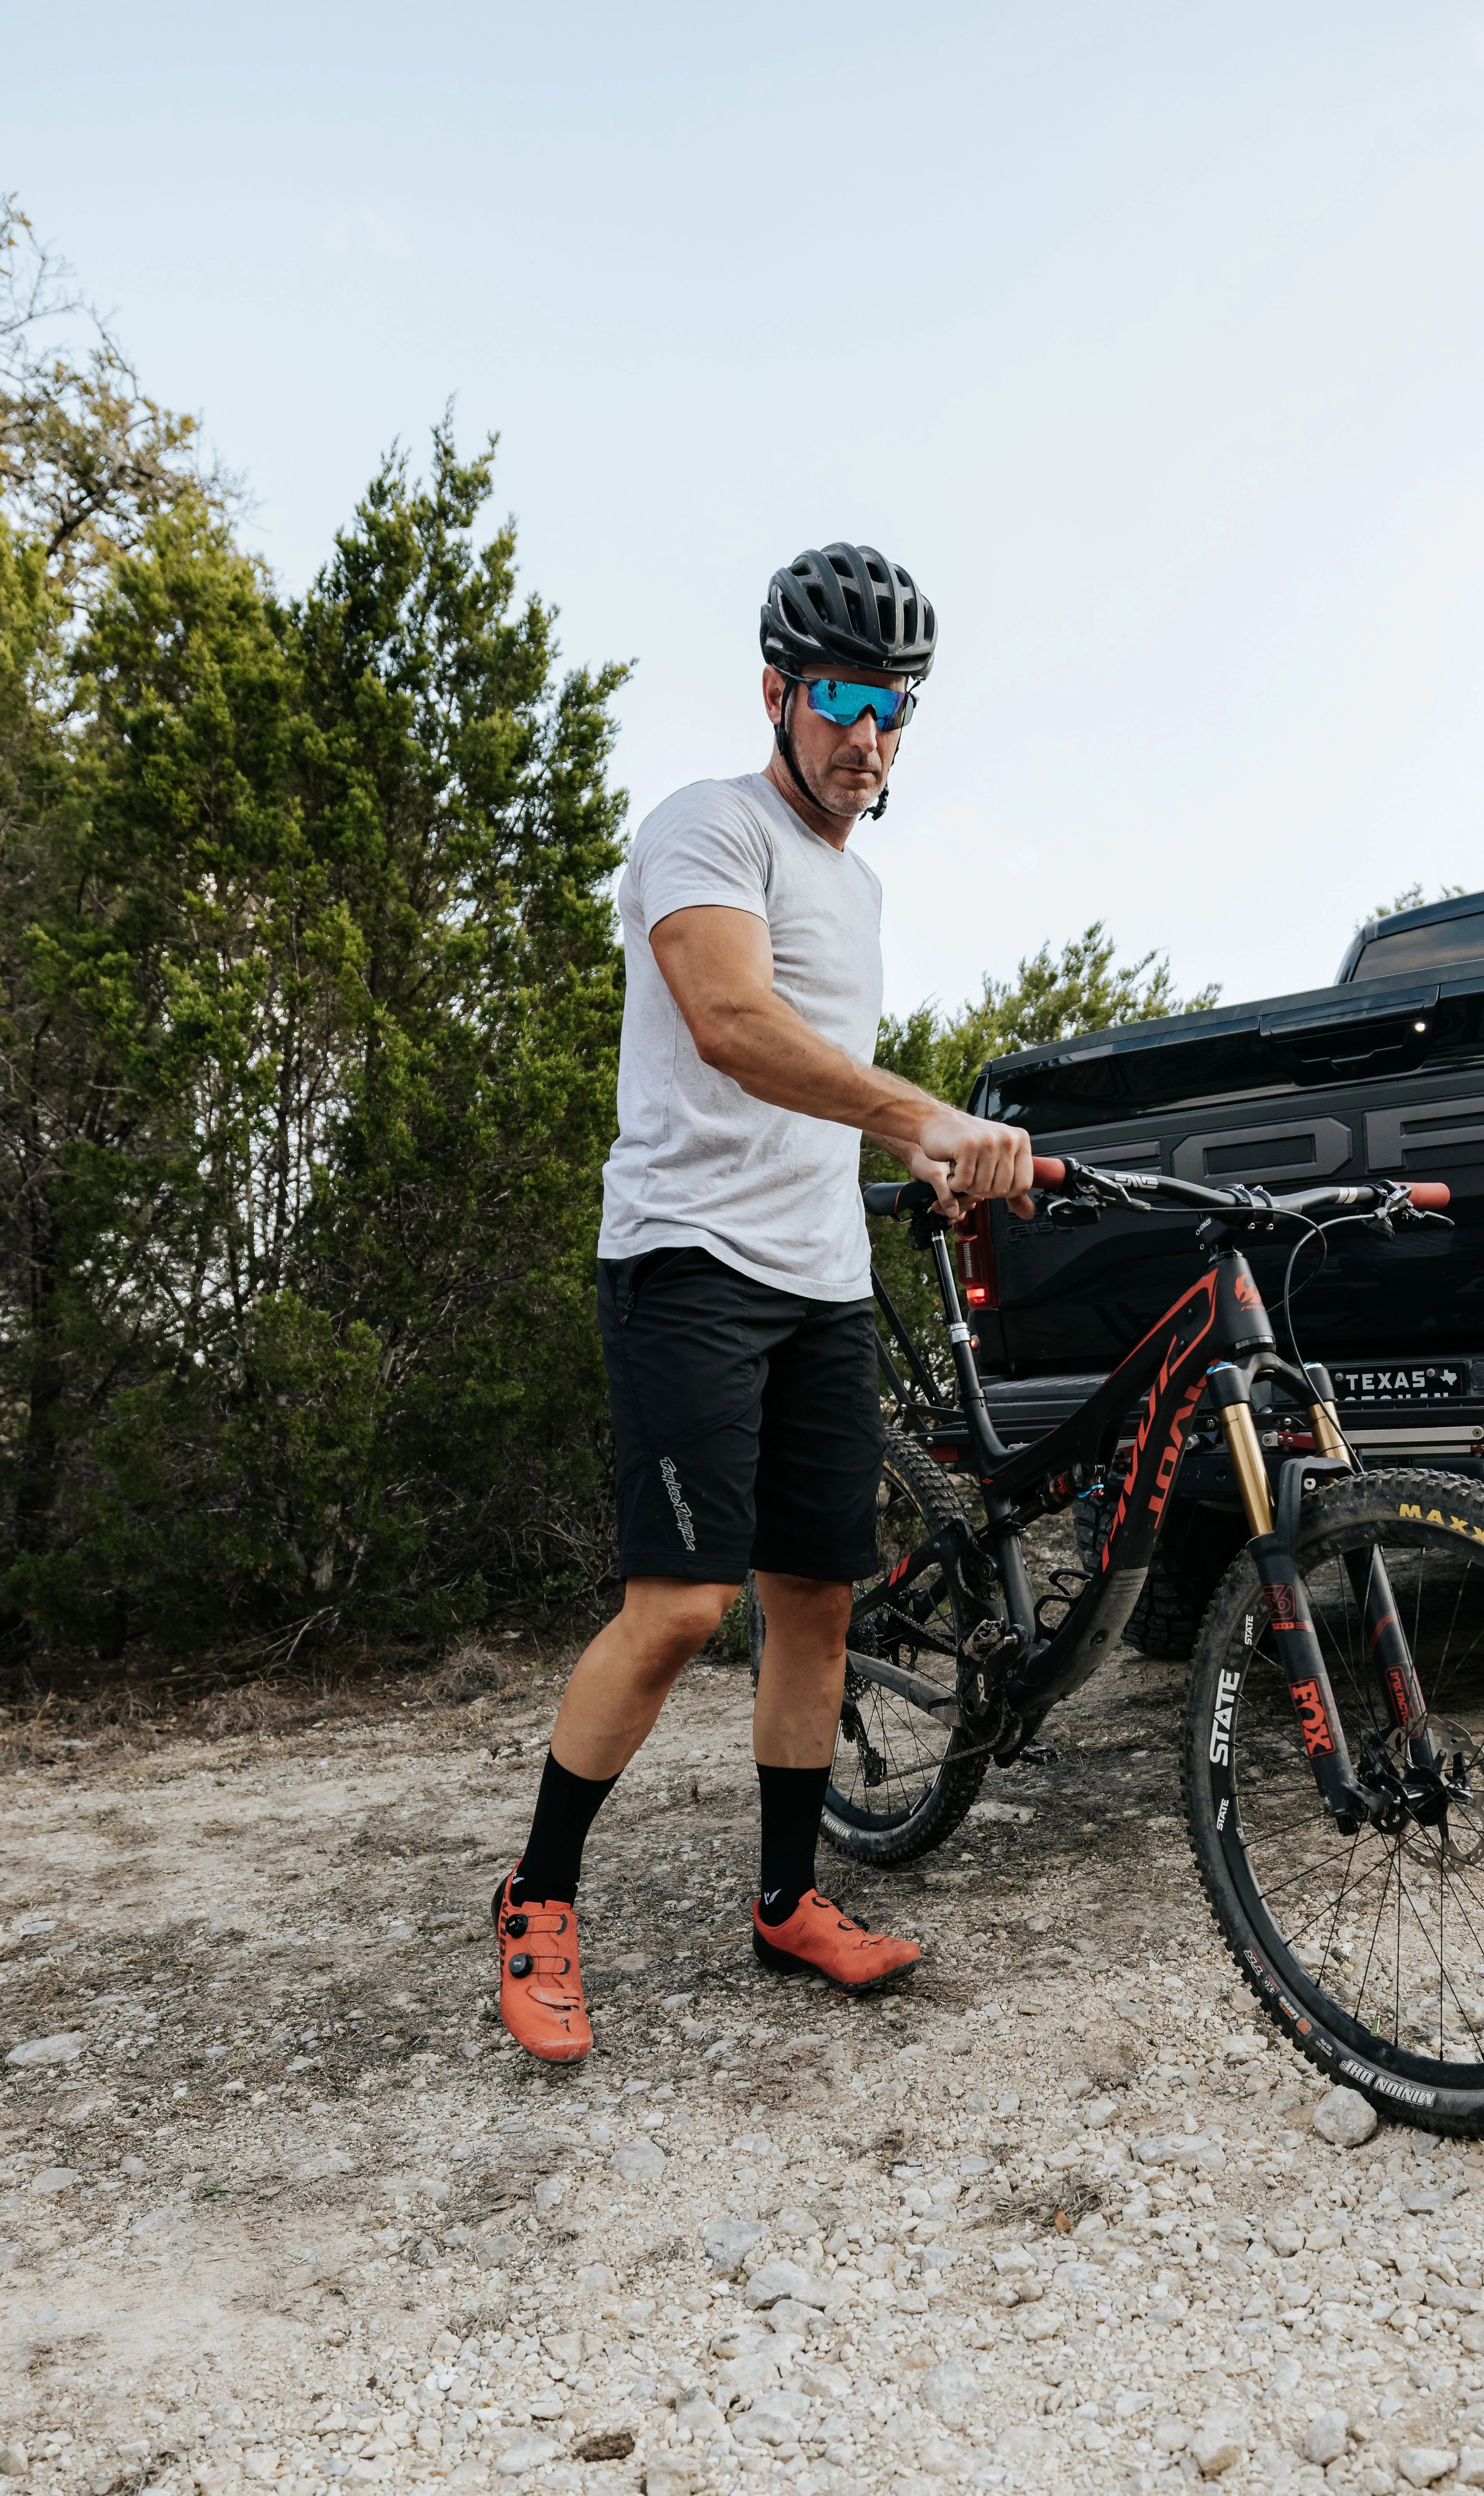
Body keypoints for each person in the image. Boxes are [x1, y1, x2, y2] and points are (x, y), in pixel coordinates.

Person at [494, 543, 1036, 2063]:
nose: (872, 736)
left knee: (817, 1598)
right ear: (781, 693)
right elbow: (733, 1025)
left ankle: (789, 1898)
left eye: (899, 708)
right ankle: (535, 1896)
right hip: (688, 1266)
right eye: (850, 698)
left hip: (820, 1282)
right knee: (679, 1607)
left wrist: (925, 1161)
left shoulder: (858, 888)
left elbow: (828, 1088)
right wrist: (930, 1116)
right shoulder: (705, 832)